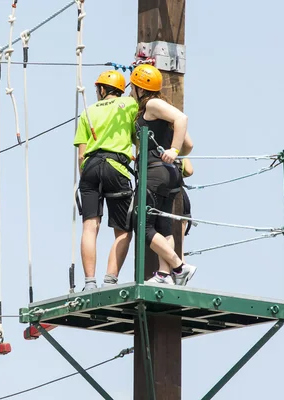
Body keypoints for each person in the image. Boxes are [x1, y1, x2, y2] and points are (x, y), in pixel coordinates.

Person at [130, 64, 197, 286]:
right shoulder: (161, 110)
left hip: (155, 173)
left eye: (133, 86)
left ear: (140, 88)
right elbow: (189, 144)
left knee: (141, 224)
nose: (131, 90)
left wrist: (173, 151)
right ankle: (164, 274)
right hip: (170, 174)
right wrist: (175, 149)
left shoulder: (152, 104)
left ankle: (179, 267)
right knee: (163, 227)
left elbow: (182, 119)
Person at [73, 70, 138, 291]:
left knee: (90, 227)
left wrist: (87, 182)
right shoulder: (129, 104)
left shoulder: (87, 112)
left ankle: (89, 282)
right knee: (123, 230)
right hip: (116, 166)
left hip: (90, 167)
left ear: (102, 89)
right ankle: (110, 280)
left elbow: (81, 154)